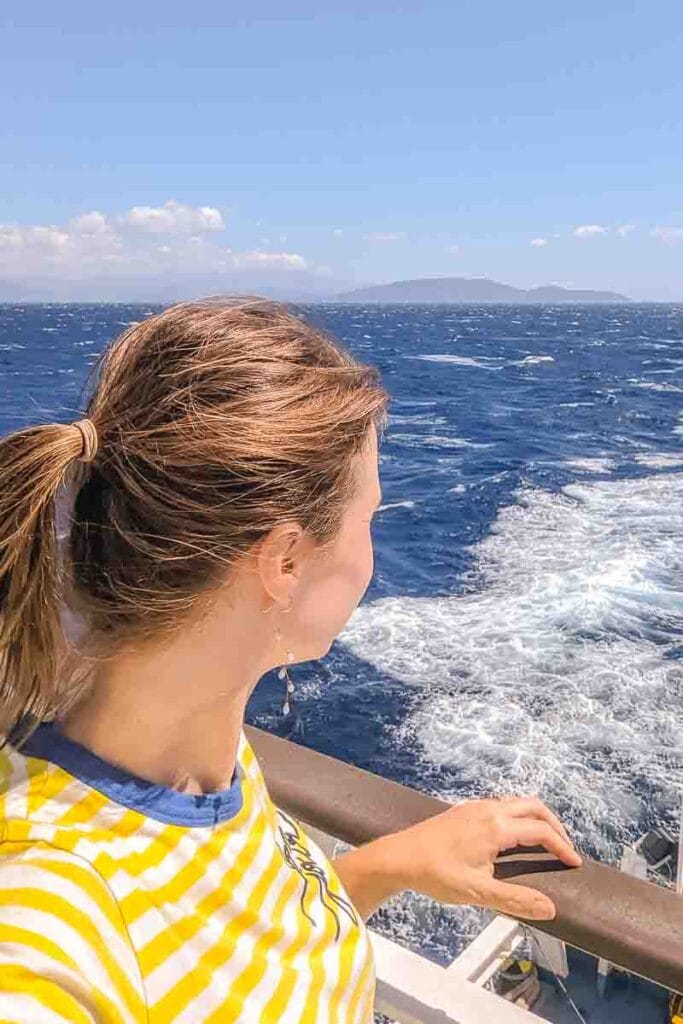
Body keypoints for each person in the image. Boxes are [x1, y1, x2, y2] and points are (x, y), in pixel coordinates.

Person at [0, 299, 580, 1023]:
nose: (370, 551)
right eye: (366, 516)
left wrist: (388, 864)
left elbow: (227, 951)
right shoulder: (47, 925)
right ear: (284, 560)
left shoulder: (194, 745)